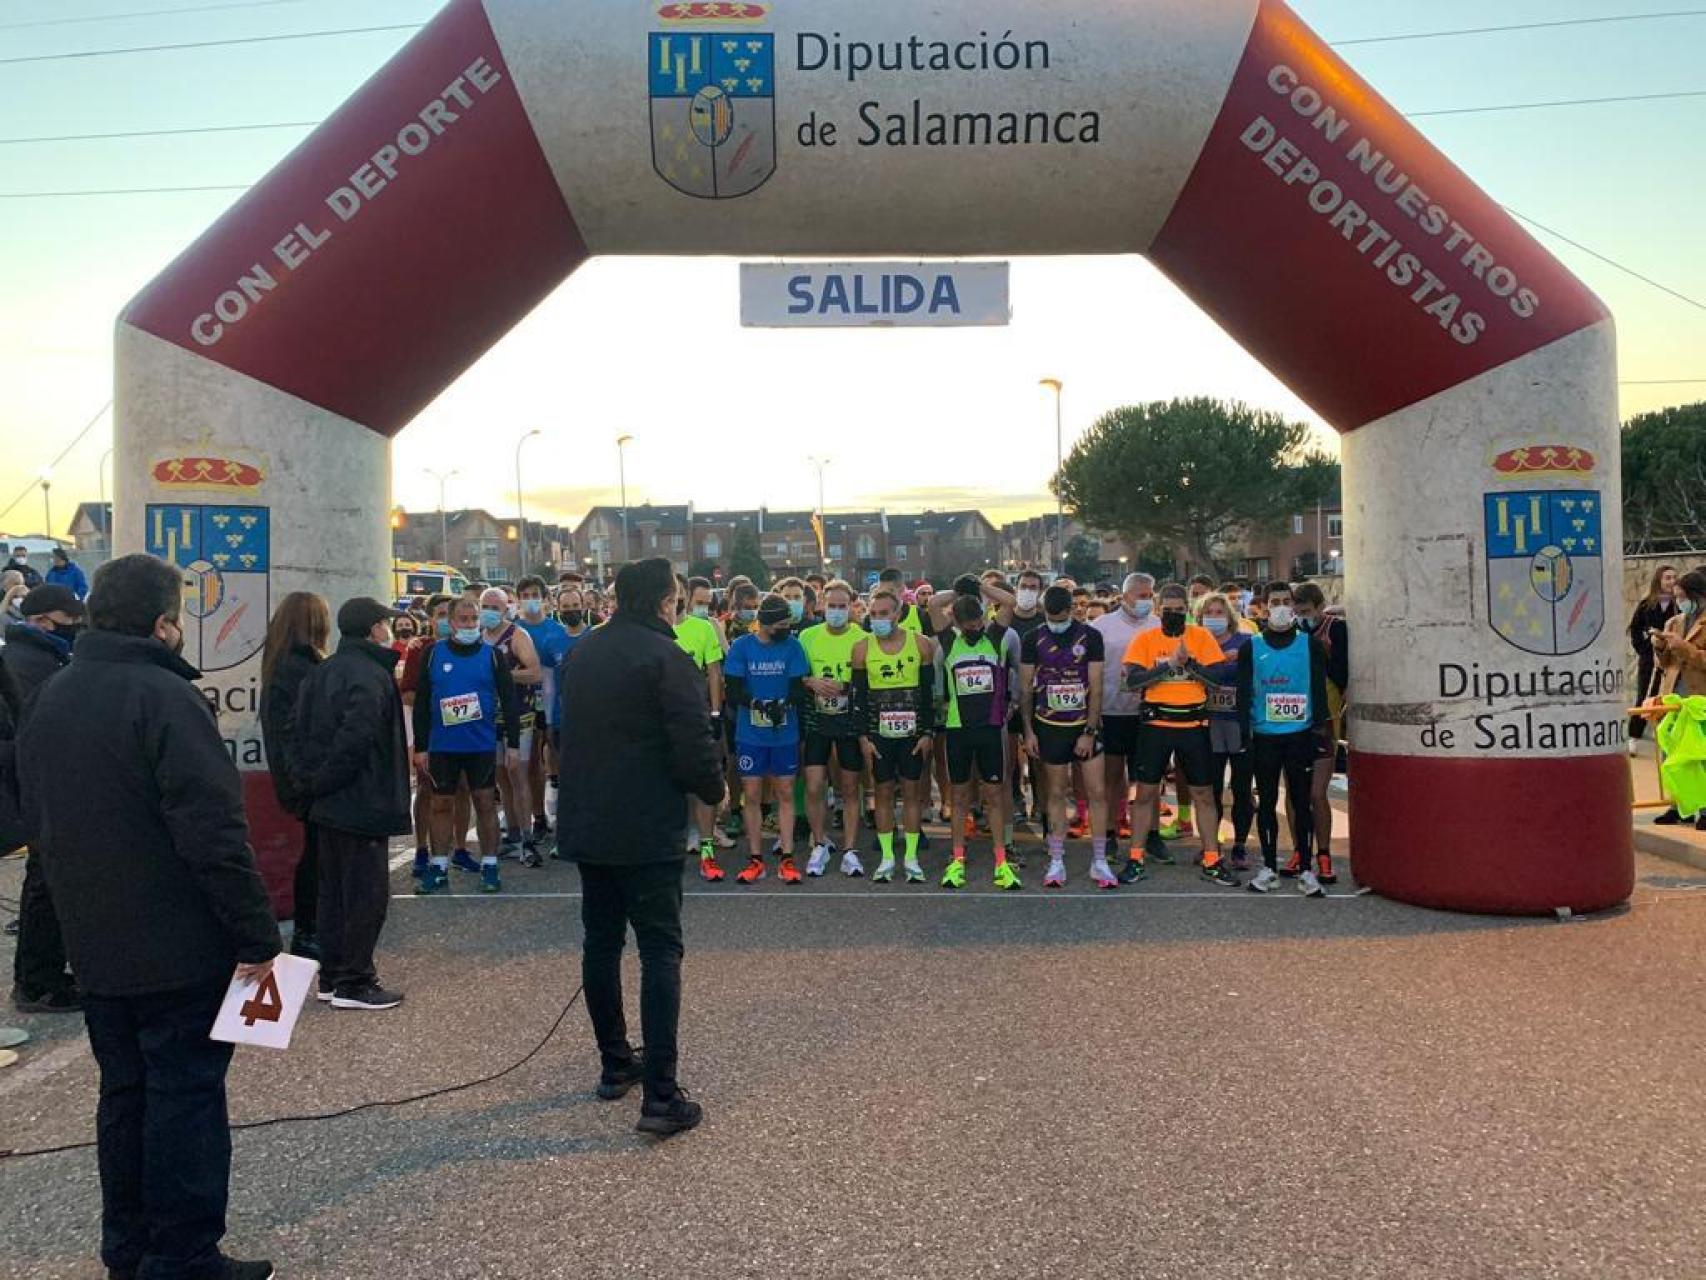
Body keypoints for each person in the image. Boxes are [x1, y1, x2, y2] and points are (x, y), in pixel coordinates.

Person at [18, 553, 279, 1280]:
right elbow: (214, 835)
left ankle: (128, 1247)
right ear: (165, 624)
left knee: (125, 1097)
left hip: (96, 941)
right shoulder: (166, 700)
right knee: (186, 1099)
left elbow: (38, 817)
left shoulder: (56, 693)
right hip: (178, 944)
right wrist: (257, 937)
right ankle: (184, 1253)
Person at [560, 557, 724, 1137]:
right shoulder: (666, 655)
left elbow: (566, 733)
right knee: (659, 948)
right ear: (663, 601)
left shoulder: (582, 652)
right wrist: (713, 788)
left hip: (589, 819)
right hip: (646, 822)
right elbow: (692, 737)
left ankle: (614, 1062)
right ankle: (660, 1094)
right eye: (676, 599)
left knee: (600, 943)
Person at [290, 598, 413, 1008]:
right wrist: (328, 778)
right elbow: (356, 739)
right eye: (386, 624)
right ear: (375, 628)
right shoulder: (370, 676)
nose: (390, 631)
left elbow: (297, 730)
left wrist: (310, 782)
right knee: (365, 895)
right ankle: (356, 982)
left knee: (332, 895)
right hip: (362, 801)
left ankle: (332, 975)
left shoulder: (321, 672)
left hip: (327, 804)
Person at [1118, 583, 1238, 886]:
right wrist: (1168, 666)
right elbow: (1132, 680)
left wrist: (1190, 664)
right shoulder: (1145, 639)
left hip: (1193, 727)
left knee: (1203, 794)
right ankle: (1135, 857)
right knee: (1144, 793)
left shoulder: (1200, 637)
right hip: (1155, 725)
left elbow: (1216, 679)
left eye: (1179, 610)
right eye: (1167, 610)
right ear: (1158, 610)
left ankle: (1212, 858)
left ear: (1187, 610)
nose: (1173, 615)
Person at [4, 583, 84, 1012]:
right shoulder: (28, 664)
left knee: (48, 884)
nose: (75, 626)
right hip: (35, 794)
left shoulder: (42, 657)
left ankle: (45, 974)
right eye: (67, 619)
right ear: (39, 621)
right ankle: (39, 982)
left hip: (36, 792)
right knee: (44, 888)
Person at [413, 595, 522, 892]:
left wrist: (513, 744)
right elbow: (422, 702)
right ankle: (438, 866)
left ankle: (489, 865)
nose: (471, 624)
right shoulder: (434, 655)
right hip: (443, 746)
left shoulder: (492, 655)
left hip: (481, 745)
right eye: (464, 619)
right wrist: (421, 746)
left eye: (474, 619)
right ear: (450, 622)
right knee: (440, 804)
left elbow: (509, 701)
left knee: (485, 804)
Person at [1239, 583, 1332, 897]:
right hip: (1264, 737)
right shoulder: (1250, 646)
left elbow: (1318, 690)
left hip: (1300, 736)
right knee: (1266, 803)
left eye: (1285, 602)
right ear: (1264, 608)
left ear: (1293, 607)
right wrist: (1244, 734)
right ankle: (1268, 867)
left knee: (1301, 802)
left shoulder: (1310, 645)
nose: (1279, 607)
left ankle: (1307, 868)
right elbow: (1242, 694)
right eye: (1274, 602)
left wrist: (1319, 730)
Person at [1020, 585, 1116, 889]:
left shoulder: (1090, 636)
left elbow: (1097, 687)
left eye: (1061, 617)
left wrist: (1089, 731)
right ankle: (1057, 859)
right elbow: (1024, 690)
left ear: (1072, 611)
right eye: (1050, 617)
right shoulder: (1032, 638)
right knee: (1056, 793)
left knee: (1097, 792)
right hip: (1049, 726)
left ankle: (1099, 861)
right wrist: (1028, 731)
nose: (1056, 622)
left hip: (1083, 724)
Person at [258, 591, 332, 963]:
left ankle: (312, 927)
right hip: (307, 777)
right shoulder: (301, 668)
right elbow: (299, 730)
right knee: (317, 855)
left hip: (295, 775)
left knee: (316, 853)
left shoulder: (280, 663)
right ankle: (309, 930)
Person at [935, 593, 1022, 889]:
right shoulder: (949, 641)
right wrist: (959, 591)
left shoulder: (995, 638)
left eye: (978, 623)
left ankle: (1001, 860)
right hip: (958, 730)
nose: (975, 629)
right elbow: (933, 604)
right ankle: (957, 858)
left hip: (990, 729)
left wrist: (982, 585)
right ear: (958, 623)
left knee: (994, 795)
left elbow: (1010, 602)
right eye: (968, 626)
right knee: (959, 797)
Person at [723, 594, 810, 884]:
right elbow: (733, 691)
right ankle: (756, 858)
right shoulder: (741, 647)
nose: (786, 629)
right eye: (781, 624)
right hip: (751, 733)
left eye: (789, 623)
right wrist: (758, 704)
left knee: (785, 792)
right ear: (766, 623)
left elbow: (799, 689)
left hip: (785, 731)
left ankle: (787, 857)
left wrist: (783, 705)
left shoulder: (793, 647)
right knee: (753, 794)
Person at [852, 588, 936, 883]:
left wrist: (928, 733)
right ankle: (888, 858)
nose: (878, 619)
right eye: (873, 614)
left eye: (884, 614)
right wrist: (863, 736)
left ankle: (911, 858)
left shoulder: (922, 645)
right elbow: (858, 696)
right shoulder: (862, 649)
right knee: (883, 793)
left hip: (912, 733)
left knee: (912, 794)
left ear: (898, 614)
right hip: (879, 734)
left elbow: (928, 694)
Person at [799, 580, 867, 877]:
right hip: (817, 721)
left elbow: (869, 681)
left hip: (849, 722)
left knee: (850, 787)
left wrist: (846, 686)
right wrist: (810, 682)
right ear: (822, 606)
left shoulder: (862, 638)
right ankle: (819, 842)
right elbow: (798, 674)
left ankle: (850, 849)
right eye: (832, 606)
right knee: (814, 785)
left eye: (842, 606)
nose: (836, 611)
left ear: (851, 607)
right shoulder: (807, 636)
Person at [1093, 573, 1160, 860]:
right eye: (1139, 595)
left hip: (1148, 711)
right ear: (1124, 596)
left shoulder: (1158, 624)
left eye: (1149, 596)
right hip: (1112, 710)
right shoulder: (1101, 626)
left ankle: (1151, 835)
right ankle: (1109, 833)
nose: (1144, 601)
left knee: (1149, 779)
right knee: (1112, 777)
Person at [479, 586, 544, 863]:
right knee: (500, 775)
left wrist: (503, 675)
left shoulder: (517, 635)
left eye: (496, 608)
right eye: (486, 607)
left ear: (506, 609)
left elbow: (534, 672)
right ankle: (513, 832)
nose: (490, 612)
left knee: (517, 772)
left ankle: (528, 838)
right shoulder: (478, 637)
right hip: (487, 716)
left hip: (519, 714)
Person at [673, 575, 731, 879]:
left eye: (680, 593)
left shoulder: (703, 628)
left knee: (704, 786)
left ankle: (707, 852)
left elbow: (713, 672)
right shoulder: (653, 630)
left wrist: (715, 710)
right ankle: (670, 848)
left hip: (697, 719)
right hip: (663, 724)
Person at [1291, 581, 1344, 883]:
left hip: (1324, 717)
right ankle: (1300, 850)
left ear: (1320, 608)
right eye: (1297, 612)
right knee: (1295, 791)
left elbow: (1343, 673)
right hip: (1292, 719)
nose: (1301, 617)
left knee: (1316, 793)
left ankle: (1323, 853)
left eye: (1307, 612)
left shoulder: (1334, 629)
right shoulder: (1290, 632)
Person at [1198, 592, 1256, 870]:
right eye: (1209, 612)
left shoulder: (1246, 642)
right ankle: (1211, 844)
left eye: (1219, 612)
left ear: (1230, 616)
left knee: (1242, 787)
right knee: (1211, 788)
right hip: (1208, 723)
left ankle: (1241, 845)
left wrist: (1239, 659)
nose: (1214, 617)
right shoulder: (1196, 642)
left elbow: (1257, 672)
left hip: (1239, 722)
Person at [515, 575, 570, 847]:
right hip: (523, 701)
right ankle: (538, 817)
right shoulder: (513, 629)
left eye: (535, 594)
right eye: (524, 595)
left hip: (552, 699)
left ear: (545, 598)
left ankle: (563, 816)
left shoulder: (557, 630)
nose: (530, 600)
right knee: (530, 762)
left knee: (556, 758)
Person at [1652, 569, 1706, 829]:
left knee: (1698, 755)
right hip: (1674, 695)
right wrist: (1660, 647)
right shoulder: (1674, 622)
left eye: (1684, 596)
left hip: (1699, 699)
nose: (1681, 601)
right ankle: (1678, 806)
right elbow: (1663, 664)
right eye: (1677, 597)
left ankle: (1704, 808)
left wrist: (1684, 647)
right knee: (1671, 752)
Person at [1629, 565, 1678, 744]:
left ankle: (1666, 739)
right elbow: (1634, 629)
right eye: (1668, 578)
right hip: (1650, 658)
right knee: (1645, 695)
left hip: (1671, 659)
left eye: (1674, 578)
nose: (1671, 582)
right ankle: (1634, 736)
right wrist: (1643, 649)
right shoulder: (1647, 604)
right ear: (1659, 580)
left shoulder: (1678, 605)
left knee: (1667, 698)